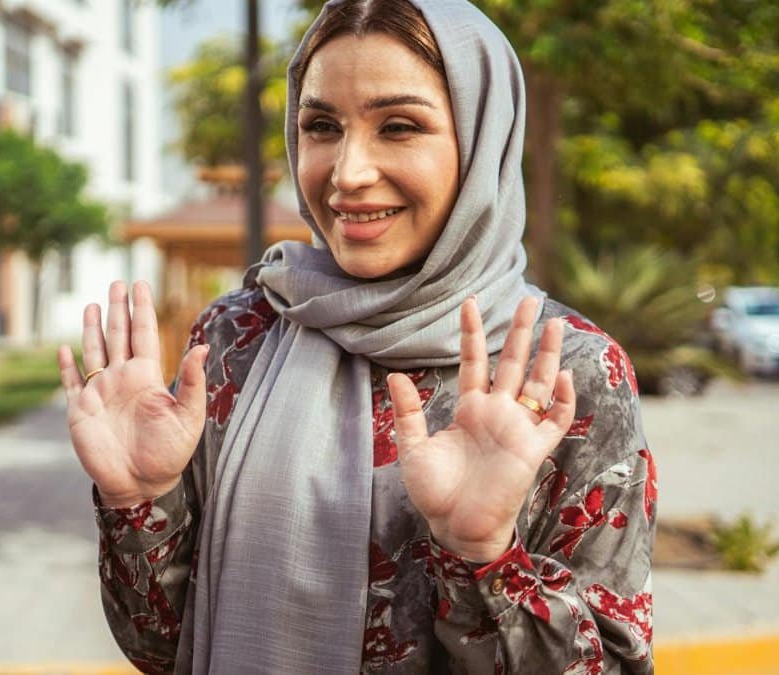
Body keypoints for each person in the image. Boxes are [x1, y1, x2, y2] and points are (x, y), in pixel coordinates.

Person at [56, 0, 656, 672]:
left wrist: (486, 556)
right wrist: (138, 501)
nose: (347, 173)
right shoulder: (238, 337)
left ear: (484, 137)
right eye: (321, 126)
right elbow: (163, 646)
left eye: (398, 126)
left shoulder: (567, 370)